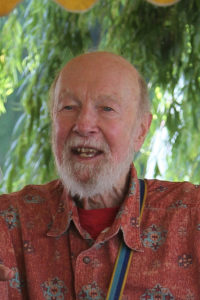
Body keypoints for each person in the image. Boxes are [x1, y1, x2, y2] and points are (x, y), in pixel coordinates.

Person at [0, 51, 199, 300]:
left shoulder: (191, 217)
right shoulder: (9, 221)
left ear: (141, 131)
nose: (83, 125)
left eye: (107, 108)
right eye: (68, 107)